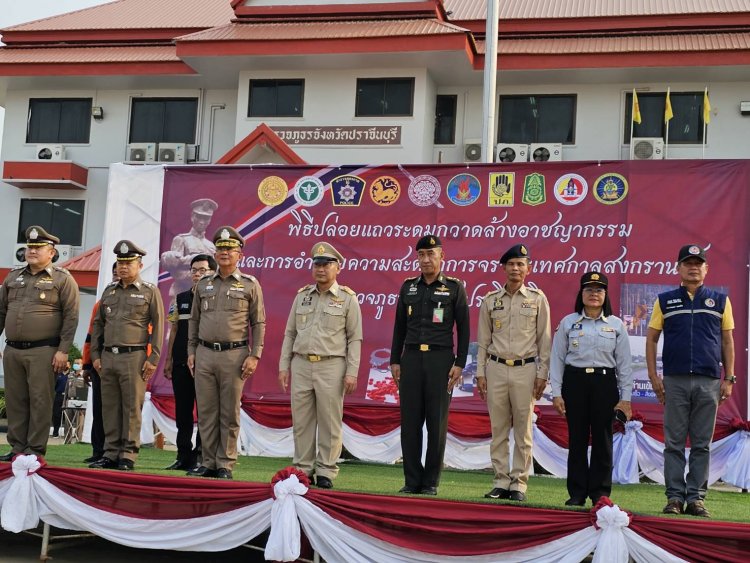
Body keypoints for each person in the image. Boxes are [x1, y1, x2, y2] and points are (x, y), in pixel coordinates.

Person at [646, 245, 735, 518]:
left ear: (706, 269)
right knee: (673, 443)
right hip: (674, 381)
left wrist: (729, 377)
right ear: (678, 268)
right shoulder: (665, 300)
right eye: (688, 263)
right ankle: (674, 497)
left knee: (701, 444)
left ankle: (696, 498)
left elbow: (727, 340)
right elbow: (651, 339)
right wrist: (653, 376)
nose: (693, 267)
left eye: (699, 263)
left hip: (709, 381)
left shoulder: (720, 301)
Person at [278, 242, 363, 489]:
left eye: (327, 264)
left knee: (329, 421)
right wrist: (284, 366)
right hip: (301, 364)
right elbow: (290, 334)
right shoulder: (302, 296)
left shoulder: (347, 299)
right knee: (302, 421)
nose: (321, 269)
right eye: (317, 264)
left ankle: (326, 470)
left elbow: (354, 338)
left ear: (338, 268)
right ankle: (303, 469)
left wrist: (352, 371)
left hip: (332, 365)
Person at [390, 235, 470, 496]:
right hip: (411, 359)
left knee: (436, 423)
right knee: (410, 421)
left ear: (441, 256)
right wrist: (394, 360)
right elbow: (399, 327)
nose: (426, 260)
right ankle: (412, 480)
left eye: (431, 254)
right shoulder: (408, 287)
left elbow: (465, 330)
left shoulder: (454, 288)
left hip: (440, 360)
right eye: (421, 255)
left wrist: (459, 364)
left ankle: (431, 482)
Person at [187, 226, 266, 480]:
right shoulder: (204, 284)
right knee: (207, 412)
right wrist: (191, 350)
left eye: (230, 249)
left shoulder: (250, 285)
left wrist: (255, 355)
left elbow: (259, 323)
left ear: (239, 254)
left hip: (235, 355)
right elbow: (194, 321)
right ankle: (208, 461)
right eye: (220, 249)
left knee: (229, 411)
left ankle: (226, 463)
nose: (224, 253)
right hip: (205, 353)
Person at [550, 271, 632, 507]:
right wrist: (556, 392)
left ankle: (600, 493)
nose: (594, 294)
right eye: (589, 289)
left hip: (604, 384)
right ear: (581, 294)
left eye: (599, 290)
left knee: (603, 440)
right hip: (575, 383)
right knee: (576, 439)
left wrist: (625, 398)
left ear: (605, 295)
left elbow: (625, 365)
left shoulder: (616, 325)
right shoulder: (568, 322)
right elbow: (557, 359)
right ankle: (576, 493)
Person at [476, 243, 551, 502]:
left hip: (525, 370)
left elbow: (545, 340)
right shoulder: (490, 301)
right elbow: (483, 341)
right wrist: (480, 372)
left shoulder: (537, 299)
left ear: (528, 269)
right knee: (498, 429)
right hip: (496, 368)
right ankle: (500, 480)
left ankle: (518, 483)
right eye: (511, 264)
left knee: (523, 430)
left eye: (520, 264)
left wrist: (543, 373)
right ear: (503, 268)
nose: (515, 268)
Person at [0, 226, 80, 461]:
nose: (32, 251)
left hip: (44, 350)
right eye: (30, 247)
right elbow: (1, 311)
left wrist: (63, 350)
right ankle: (16, 448)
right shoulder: (13, 277)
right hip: (13, 349)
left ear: (52, 252)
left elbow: (71, 317)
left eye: (38, 248)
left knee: (40, 400)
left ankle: (34, 450)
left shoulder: (62, 279)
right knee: (16, 401)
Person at [89, 241, 164, 471]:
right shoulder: (109, 291)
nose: (123, 267)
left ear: (139, 265)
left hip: (134, 356)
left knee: (131, 407)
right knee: (109, 407)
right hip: (108, 356)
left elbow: (159, 327)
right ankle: (110, 453)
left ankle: (128, 455)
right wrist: (95, 355)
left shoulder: (150, 291)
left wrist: (153, 359)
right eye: (120, 263)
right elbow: (98, 326)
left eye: (128, 263)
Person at [163, 253, 217, 470]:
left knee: (205, 412)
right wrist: (169, 360)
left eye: (203, 270)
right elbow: (173, 329)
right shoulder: (179, 298)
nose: (197, 274)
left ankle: (202, 457)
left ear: (212, 273)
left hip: (205, 363)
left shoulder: (214, 299)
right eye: (194, 270)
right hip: (180, 363)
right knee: (182, 412)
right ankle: (183, 456)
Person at [81, 262, 118, 464]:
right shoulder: (100, 303)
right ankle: (98, 451)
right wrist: (87, 364)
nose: (117, 276)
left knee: (119, 411)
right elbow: (90, 336)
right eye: (114, 273)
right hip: (99, 364)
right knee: (99, 409)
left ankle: (118, 453)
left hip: (124, 362)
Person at [161, 198, 218, 297]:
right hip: (182, 293)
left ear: (210, 220)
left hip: (204, 295)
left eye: (206, 218)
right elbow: (175, 270)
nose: (202, 222)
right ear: (192, 217)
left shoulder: (211, 246)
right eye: (199, 217)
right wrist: (200, 276)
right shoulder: (181, 239)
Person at [52, 362, 71, 438]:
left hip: (68, 397)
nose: (66, 365)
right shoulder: (58, 375)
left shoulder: (71, 375)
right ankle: (55, 432)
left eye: (68, 364)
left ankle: (67, 434)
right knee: (56, 414)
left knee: (67, 415)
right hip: (59, 396)